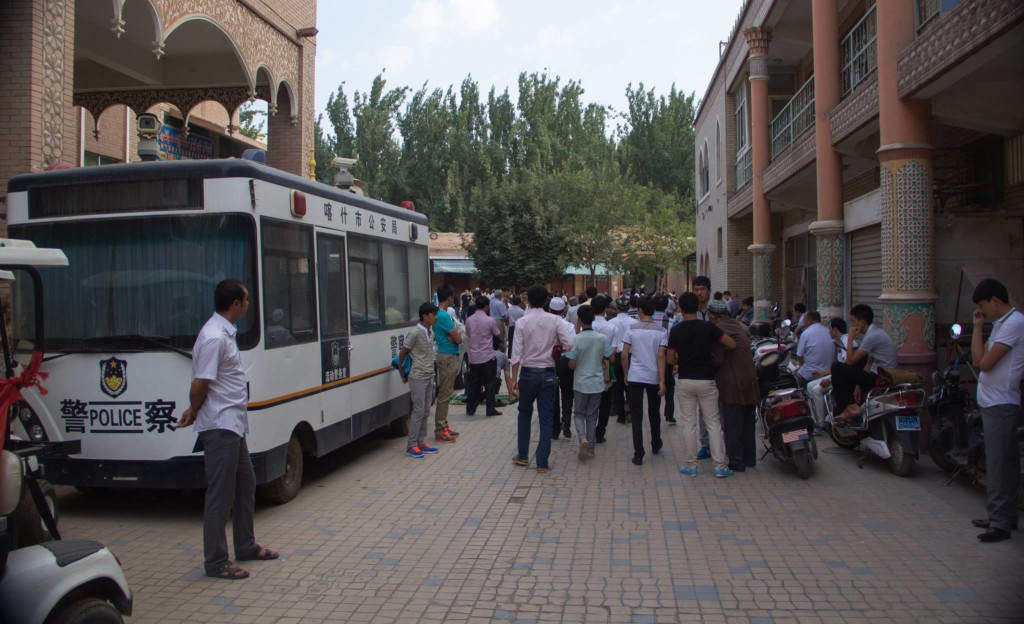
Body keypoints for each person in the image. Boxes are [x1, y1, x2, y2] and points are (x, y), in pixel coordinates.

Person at [176, 279, 278, 580]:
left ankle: (245, 544)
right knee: (220, 495)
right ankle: (216, 561)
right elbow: (199, 383)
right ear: (236, 304)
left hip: (233, 424)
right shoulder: (214, 338)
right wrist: (194, 409)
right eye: (245, 299)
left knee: (246, 483)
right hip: (220, 426)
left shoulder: (224, 333)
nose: (248, 304)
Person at [970, 278, 1024, 543]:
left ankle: (1000, 521)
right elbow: (978, 360)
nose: (983, 310)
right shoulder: (1000, 324)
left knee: (1000, 464)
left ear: (995, 300)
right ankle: (1003, 516)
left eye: (983, 305)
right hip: (992, 402)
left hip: (1002, 403)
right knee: (1003, 462)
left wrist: (983, 354)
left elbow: (987, 364)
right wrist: (978, 327)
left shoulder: (1014, 323)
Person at [668, 291, 737, 478]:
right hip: (707, 380)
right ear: (698, 307)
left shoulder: (676, 330)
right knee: (713, 423)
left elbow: (670, 359)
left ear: (680, 309)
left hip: (685, 380)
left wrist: (680, 361)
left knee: (688, 423)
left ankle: (691, 465)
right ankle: (720, 466)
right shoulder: (709, 328)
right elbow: (731, 344)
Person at [511, 285, 574, 473]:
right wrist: (557, 348)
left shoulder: (522, 322)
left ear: (528, 300)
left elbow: (516, 354)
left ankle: (523, 455)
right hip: (548, 373)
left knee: (524, 414)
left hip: (528, 373)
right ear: (546, 300)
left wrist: (513, 380)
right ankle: (542, 463)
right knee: (546, 418)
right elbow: (570, 343)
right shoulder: (555, 320)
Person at [707, 298, 759, 471]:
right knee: (747, 422)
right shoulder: (738, 326)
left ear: (713, 316)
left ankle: (736, 461)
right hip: (749, 380)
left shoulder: (719, 330)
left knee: (732, 423)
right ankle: (749, 458)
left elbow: (718, 359)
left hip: (732, 382)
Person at [829, 304, 899, 424]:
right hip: (876, 374)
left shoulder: (872, 336)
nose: (851, 325)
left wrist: (850, 337)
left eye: (853, 321)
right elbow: (869, 362)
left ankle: (851, 407)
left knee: (837, 367)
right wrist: (858, 385)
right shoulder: (874, 333)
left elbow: (851, 361)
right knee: (849, 372)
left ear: (861, 322)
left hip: (882, 377)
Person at [620, 296, 667, 465]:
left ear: (640, 311)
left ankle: (638, 453)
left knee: (637, 415)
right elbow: (661, 356)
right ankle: (656, 443)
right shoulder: (661, 331)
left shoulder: (631, 330)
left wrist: (626, 373)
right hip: (653, 376)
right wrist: (662, 380)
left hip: (635, 376)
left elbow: (625, 355)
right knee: (654, 411)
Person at [565, 305, 610, 461]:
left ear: (579, 320)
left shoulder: (575, 339)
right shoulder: (602, 338)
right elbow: (609, 357)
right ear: (593, 319)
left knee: (578, 414)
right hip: (597, 382)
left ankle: (582, 438)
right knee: (592, 416)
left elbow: (571, 364)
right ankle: (590, 449)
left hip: (580, 382)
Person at [397, 302, 441, 459]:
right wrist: (403, 373)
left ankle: (421, 442)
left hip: (429, 375)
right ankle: (411, 445)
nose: (435, 317)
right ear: (425, 316)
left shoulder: (431, 332)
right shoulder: (415, 333)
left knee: (426, 410)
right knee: (418, 410)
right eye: (433, 315)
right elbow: (403, 353)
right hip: (417, 376)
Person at [805, 317, 855, 428]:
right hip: (836, 375)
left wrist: (829, 379)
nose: (829, 332)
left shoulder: (847, 342)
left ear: (835, 330)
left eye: (830, 329)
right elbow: (837, 366)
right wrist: (821, 373)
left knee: (816, 390)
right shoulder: (839, 342)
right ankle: (814, 419)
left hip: (843, 379)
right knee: (809, 386)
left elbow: (846, 367)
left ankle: (820, 424)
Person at [433, 285, 463, 443]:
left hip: (446, 354)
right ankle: (440, 429)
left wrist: (455, 336)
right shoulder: (443, 316)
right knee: (445, 394)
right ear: (450, 297)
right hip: (448, 355)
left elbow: (456, 336)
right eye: (453, 297)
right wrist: (456, 336)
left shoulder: (440, 314)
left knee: (445, 393)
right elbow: (458, 338)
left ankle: (444, 425)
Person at [465, 295, 501, 417]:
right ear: (486, 307)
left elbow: (468, 334)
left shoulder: (469, 320)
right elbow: (497, 334)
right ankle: (490, 409)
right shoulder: (490, 320)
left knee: (474, 384)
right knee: (490, 383)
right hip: (488, 357)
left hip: (474, 358)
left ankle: (470, 409)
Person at [591, 295, 619, 444]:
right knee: (605, 400)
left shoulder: (588, 325)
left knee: (590, 398)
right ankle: (600, 432)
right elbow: (613, 352)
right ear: (605, 309)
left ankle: (589, 430)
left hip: (588, 365)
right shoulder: (612, 327)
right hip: (606, 365)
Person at [549, 296, 575, 440]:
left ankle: (555, 428)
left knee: (552, 394)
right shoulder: (569, 326)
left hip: (551, 362)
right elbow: (573, 344)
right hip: (566, 361)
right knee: (567, 394)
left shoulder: (546, 325)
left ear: (549, 309)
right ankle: (566, 422)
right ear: (564, 310)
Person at [609, 294, 636, 424]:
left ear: (617, 307)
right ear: (629, 307)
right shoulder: (635, 323)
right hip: (631, 356)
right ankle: (630, 410)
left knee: (617, 387)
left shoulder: (610, 323)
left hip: (615, 356)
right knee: (631, 385)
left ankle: (620, 415)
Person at [652, 294, 677, 425]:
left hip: (651, 356)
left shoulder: (647, 321)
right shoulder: (673, 322)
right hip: (668, 356)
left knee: (654, 385)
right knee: (669, 385)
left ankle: (654, 411)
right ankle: (669, 414)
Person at [792, 311, 832, 386]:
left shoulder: (806, 334)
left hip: (809, 374)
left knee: (792, 379)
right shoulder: (828, 332)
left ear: (810, 321)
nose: (804, 323)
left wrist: (803, 365)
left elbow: (799, 356)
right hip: (827, 372)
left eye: (805, 320)